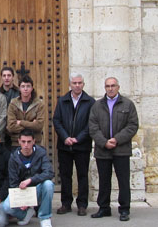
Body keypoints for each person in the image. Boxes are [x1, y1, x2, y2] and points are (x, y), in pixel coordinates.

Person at [89, 77, 139, 222]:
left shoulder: (128, 104)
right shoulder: (97, 106)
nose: (110, 88)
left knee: (123, 180)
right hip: (103, 150)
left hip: (121, 149)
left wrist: (116, 139)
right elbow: (93, 127)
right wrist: (104, 142)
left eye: (113, 86)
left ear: (118, 87)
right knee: (104, 180)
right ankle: (104, 208)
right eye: (107, 86)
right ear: (104, 88)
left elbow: (132, 126)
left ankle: (124, 209)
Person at [52, 73, 95, 216]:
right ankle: (66, 203)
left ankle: (82, 204)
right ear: (70, 84)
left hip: (82, 145)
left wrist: (78, 138)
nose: (77, 85)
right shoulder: (63, 100)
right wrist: (65, 137)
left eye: (80, 83)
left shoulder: (90, 102)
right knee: (65, 175)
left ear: (83, 84)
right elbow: (57, 121)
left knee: (82, 175)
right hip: (65, 145)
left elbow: (91, 123)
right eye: (74, 83)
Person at [1, 128, 55, 227]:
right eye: (23, 141)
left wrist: (31, 180)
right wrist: (23, 200)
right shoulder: (13, 157)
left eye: (29, 142)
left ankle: (45, 217)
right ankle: (26, 214)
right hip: (21, 191)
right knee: (6, 206)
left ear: (34, 141)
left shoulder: (41, 153)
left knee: (48, 184)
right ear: (19, 141)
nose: (26, 145)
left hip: (37, 189)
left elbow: (49, 173)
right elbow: (13, 182)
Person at [6, 75, 45, 148]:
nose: (25, 89)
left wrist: (21, 122)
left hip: (35, 142)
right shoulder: (13, 104)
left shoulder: (39, 104)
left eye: (28, 86)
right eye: (23, 86)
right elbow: (11, 127)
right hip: (17, 143)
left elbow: (39, 126)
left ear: (32, 88)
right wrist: (31, 124)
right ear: (19, 88)